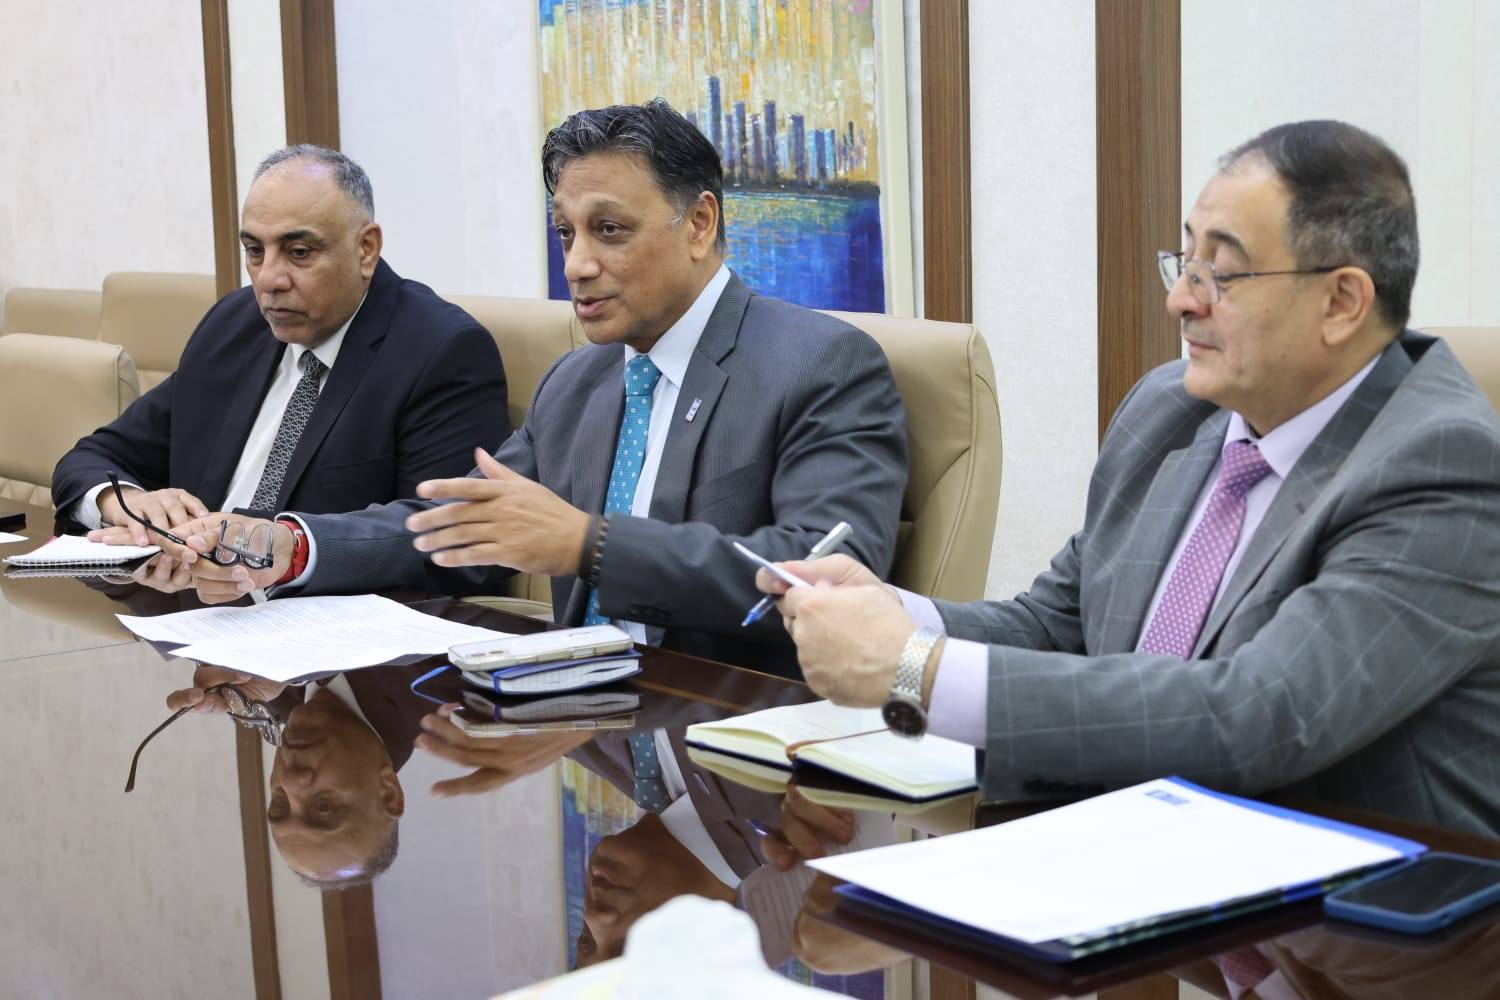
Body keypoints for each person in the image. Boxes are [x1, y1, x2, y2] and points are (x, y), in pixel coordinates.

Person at [758, 120, 1500, 835]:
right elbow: (1060, 626)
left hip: (1361, 898)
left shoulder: (1443, 466)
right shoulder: (1170, 410)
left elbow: (1257, 717)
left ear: (1341, 302)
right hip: (1137, 845)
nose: (1182, 299)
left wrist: (914, 669)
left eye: (1222, 273)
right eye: (1186, 262)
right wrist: (900, 615)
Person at [120, 100, 907, 678]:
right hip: (575, 727)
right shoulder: (577, 382)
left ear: (699, 224)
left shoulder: (820, 365)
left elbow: (827, 573)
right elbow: (452, 528)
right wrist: (292, 546)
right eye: (565, 233)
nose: (577, 265)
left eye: (609, 230)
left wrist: (589, 545)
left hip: (730, 737)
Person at [54, 144, 509, 541]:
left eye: (299, 252)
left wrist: (279, 549)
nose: (269, 279)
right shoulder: (233, 325)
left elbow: (446, 538)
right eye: (255, 251)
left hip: (316, 607)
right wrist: (125, 502)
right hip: (188, 599)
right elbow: (91, 458)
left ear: (366, 248)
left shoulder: (440, 352)